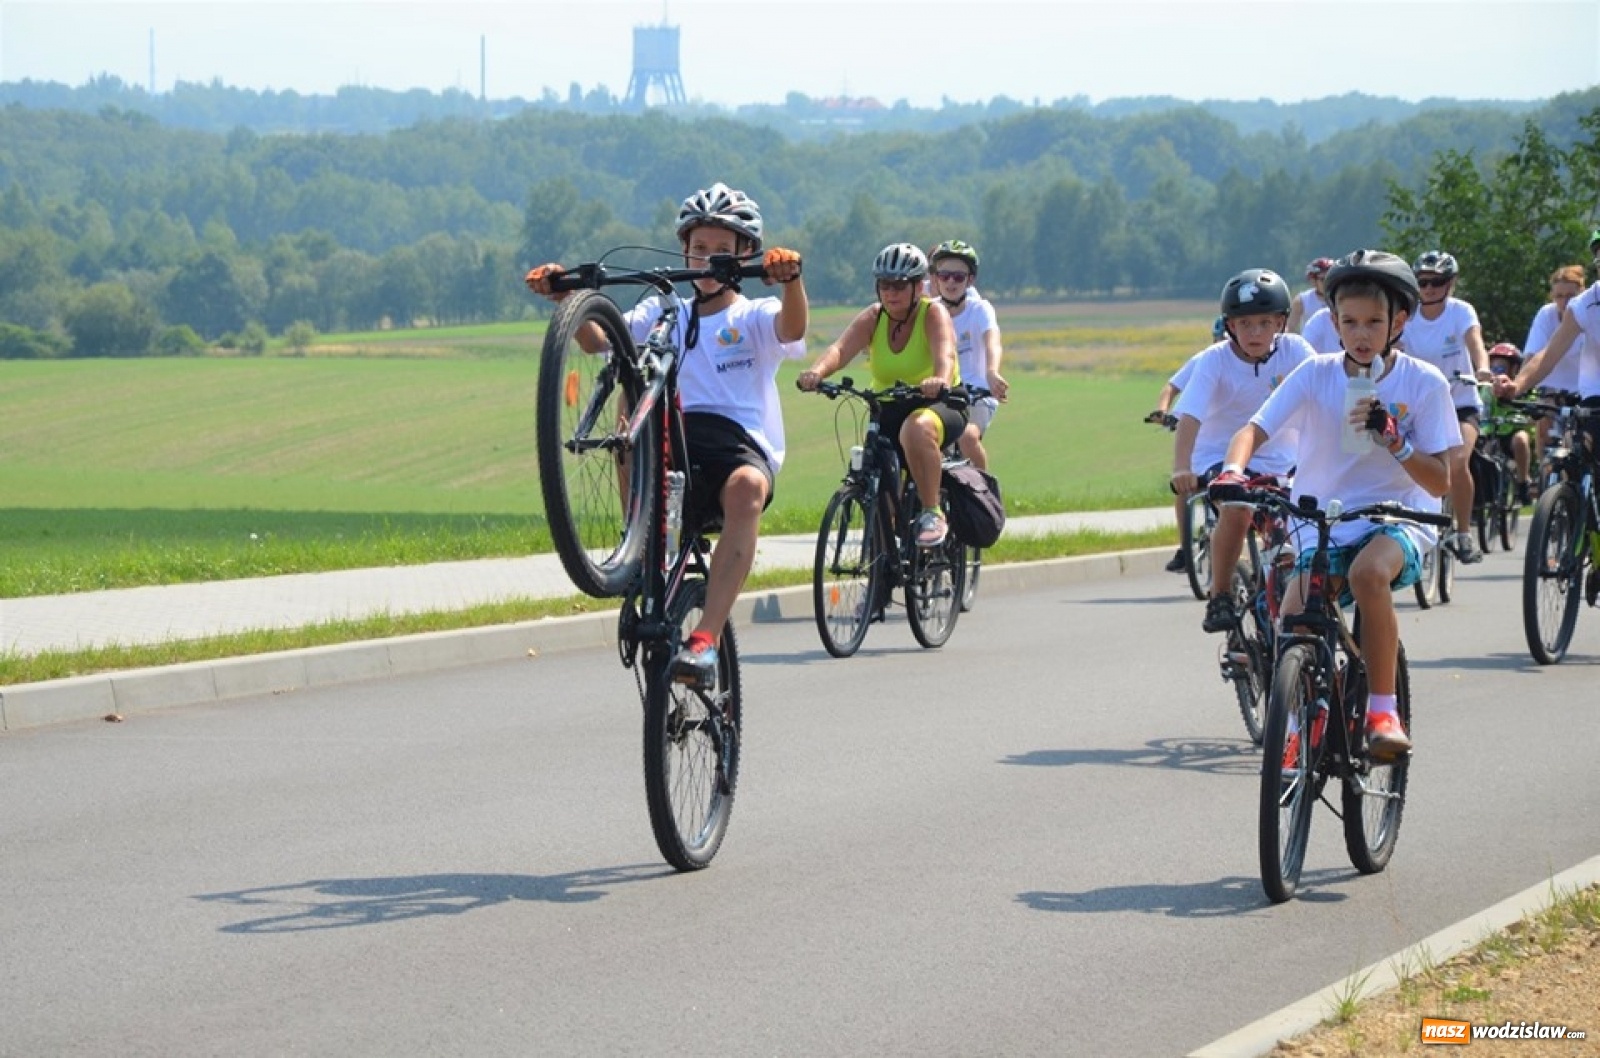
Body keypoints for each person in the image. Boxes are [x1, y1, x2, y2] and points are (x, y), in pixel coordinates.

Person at [524, 181, 808, 688]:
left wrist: (789, 282)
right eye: (699, 249)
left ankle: (706, 639)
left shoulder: (752, 316)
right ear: (683, 251)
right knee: (631, 393)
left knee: (747, 488)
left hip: (734, 447)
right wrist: (566, 296)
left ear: (746, 254)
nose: (707, 260)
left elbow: (791, 328)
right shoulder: (660, 313)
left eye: (722, 251)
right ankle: (636, 543)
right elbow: (595, 340)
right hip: (671, 440)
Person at [1210, 250, 1459, 760]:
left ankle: (1382, 712)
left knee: (1369, 576)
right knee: (1296, 616)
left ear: (1399, 321)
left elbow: (1439, 481)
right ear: (1333, 321)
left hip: (1397, 519)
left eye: (1373, 322)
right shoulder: (1314, 373)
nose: (1360, 334)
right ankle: (1306, 716)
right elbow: (1254, 429)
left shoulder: (1424, 383)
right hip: (1325, 519)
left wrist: (1397, 441)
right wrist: (1233, 470)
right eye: (1348, 322)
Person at [1170, 268, 1315, 632]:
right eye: (1244, 323)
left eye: (1265, 323)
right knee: (1238, 508)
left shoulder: (1296, 351)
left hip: (1284, 461)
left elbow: (1327, 390)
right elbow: (1189, 417)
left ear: (1281, 323)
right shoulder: (1214, 360)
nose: (1255, 333)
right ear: (1229, 325)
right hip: (1220, 457)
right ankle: (1219, 596)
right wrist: (1181, 467)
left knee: (1299, 531)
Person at [797, 242, 963, 549]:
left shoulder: (933, 313)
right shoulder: (875, 316)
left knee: (916, 428)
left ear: (918, 287)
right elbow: (840, 349)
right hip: (889, 404)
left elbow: (946, 353)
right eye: (884, 285)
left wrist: (939, 379)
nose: (891, 292)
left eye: (900, 285)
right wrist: (817, 373)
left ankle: (931, 512)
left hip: (939, 402)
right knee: (877, 467)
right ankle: (882, 561)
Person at [1399, 250, 1491, 563]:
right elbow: (1394, 349)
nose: (1429, 288)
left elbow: (1475, 342)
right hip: (1422, 407)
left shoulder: (1460, 311)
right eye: (1423, 282)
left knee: (1458, 459)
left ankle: (1463, 533)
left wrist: (1483, 368)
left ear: (1450, 283)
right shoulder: (1407, 316)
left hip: (1461, 403)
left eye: (1437, 282)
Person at [928, 239, 1009, 471]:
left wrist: (992, 372)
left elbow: (992, 342)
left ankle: (986, 496)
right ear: (935, 278)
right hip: (943, 391)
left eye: (959, 277)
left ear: (970, 280)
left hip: (977, 392)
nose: (951, 282)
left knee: (967, 438)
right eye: (944, 276)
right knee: (921, 442)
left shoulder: (979, 309)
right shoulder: (928, 311)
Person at [1524, 263, 1588, 457]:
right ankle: (1544, 479)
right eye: (1559, 296)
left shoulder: (1589, 313)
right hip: (1551, 386)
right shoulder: (1546, 315)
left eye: (1571, 296)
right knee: (1544, 431)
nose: (1565, 301)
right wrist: (1520, 386)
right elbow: (1532, 355)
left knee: (1579, 441)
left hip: (1583, 388)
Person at [1480, 342, 1534, 503]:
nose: (1497, 372)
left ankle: (1523, 481)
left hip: (1513, 431)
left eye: (1501, 368)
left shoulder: (1522, 387)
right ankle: (1481, 495)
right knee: (1481, 453)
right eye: (1494, 368)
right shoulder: (1487, 389)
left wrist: (1528, 416)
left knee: (1521, 440)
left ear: (1514, 369)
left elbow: (1532, 404)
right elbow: (1482, 406)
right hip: (1492, 431)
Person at [1286, 257, 1333, 334]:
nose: (1327, 282)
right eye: (1323, 279)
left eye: (1330, 278)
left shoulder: (1340, 298)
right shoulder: (1302, 300)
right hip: (1310, 343)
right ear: (1313, 281)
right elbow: (1289, 328)